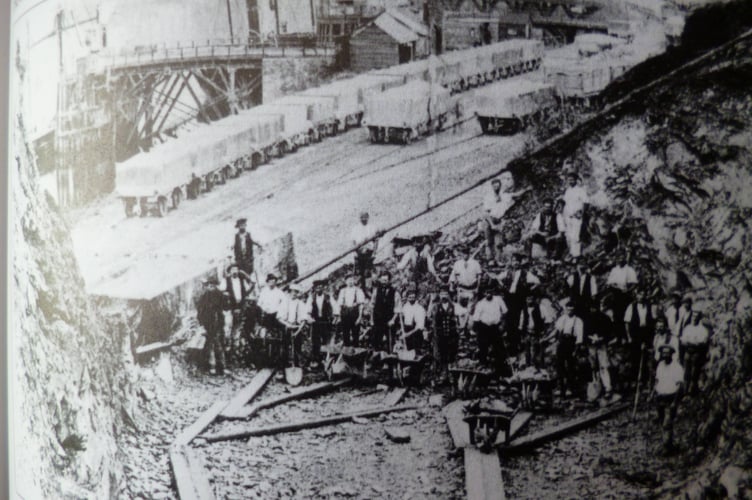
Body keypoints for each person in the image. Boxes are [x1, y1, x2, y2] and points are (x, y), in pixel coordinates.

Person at [492, 252, 540, 352]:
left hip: (519, 299)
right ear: (512, 262)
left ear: (520, 263)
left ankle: (518, 343)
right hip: (509, 299)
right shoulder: (508, 272)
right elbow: (497, 278)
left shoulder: (525, 273)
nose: (515, 263)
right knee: (509, 320)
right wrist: (503, 286)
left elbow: (537, 282)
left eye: (517, 262)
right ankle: (510, 343)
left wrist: (529, 289)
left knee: (519, 320)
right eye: (514, 261)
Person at [482, 174, 531, 263]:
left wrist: (526, 189)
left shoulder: (505, 196)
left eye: (498, 185)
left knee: (499, 242)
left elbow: (516, 195)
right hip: (488, 221)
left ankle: (498, 260)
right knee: (489, 242)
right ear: (492, 186)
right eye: (494, 185)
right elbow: (486, 213)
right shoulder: (488, 197)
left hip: (498, 221)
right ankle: (490, 260)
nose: (496, 187)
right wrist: (492, 225)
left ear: (500, 186)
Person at [549, 300, 584, 398]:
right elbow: (557, 331)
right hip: (562, 342)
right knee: (559, 365)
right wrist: (554, 341)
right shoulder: (562, 319)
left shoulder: (578, 321)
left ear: (574, 310)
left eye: (571, 310)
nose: (569, 312)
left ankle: (570, 388)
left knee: (570, 366)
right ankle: (560, 387)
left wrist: (576, 350)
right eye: (568, 310)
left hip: (571, 343)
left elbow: (579, 338)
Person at [471, 285, 508, 373]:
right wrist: (474, 330)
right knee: (483, 348)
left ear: (492, 292)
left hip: (495, 327)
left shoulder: (498, 300)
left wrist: (503, 324)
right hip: (484, 328)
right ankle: (484, 366)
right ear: (484, 293)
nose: (488, 294)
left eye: (490, 292)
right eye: (486, 292)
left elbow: (505, 312)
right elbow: (476, 319)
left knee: (499, 348)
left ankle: (500, 368)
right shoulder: (481, 303)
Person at [654, 344, 684, 453]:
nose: (665, 355)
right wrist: (653, 393)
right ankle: (668, 444)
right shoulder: (660, 365)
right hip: (660, 397)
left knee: (667, 422)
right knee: (662, 422)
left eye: (667, 353)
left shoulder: (677, 367)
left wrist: (675, 402)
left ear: (672, 354)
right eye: (663, 353)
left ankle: (666, 447)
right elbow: (657, 380)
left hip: (671, 398)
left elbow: (680, 386)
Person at [220, 264, 254, 360]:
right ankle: (227, 350)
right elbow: (219, 291)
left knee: (237, 329)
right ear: (229, 272)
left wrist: (246, 275)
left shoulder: (242, 281)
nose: (235, 271)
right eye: (233, 270)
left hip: (240, 307)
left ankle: (235, 352)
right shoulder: (225, 281)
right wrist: (225, 294)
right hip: (229, 309)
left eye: (236, 269)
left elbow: (250, 288)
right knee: (228, 328)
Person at [583, 300, 616, 400]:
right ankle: (596, 388)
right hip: (591, 345)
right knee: (593, 367)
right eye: (592, 308)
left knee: (604, 366)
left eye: (595, 308)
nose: (593, 310)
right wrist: (591, 338)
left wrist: (601, 338)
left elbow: (610, 332)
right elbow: (584, 333)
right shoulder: (587, 319)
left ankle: (607, 388)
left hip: (602, 345)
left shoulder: (605, 318)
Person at [624, 287, 657, 384]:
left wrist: (653, 335)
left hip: (646, 333)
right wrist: (629, 336)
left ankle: (645, 379)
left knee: (647, 357)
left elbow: (654, 320)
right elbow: (627, 323)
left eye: (643, 294)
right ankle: (635, 379)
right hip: (636, 334)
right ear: (636, 295)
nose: (641, 296)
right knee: (635, 357)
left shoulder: (649, 306)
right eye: (639, 294)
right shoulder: (631, 306)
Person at [196, 276, 226, 375]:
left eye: (213, 285)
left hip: (218, 323)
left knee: (219, 344)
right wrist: (202, 325)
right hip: (208, 324)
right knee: (210, 345)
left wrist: (222, 323)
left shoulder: (220, 295)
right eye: (209, 285)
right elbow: (199, 312)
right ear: (207, 286)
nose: (211, 286)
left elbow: (224, 308)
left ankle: (222, 366)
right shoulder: (203, 297)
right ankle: (212, 366)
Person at [256, 273, 288, 365]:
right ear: (267, 282)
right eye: (270, 281)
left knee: (277, 337)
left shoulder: (279, 293)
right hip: (266, 316)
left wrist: (279, 312)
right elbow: (259, 304)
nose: (272, 283)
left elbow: (284, 304)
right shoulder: (264, 292)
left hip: (276, 316)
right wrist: (263, 310)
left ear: (276, 282)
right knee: (264, 335)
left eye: (274, 281)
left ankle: (277, 356)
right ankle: (265, 357)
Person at [307, 280, 339, 367]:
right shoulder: (311, 298)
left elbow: (335, 307)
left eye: (320, 287)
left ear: (323, 288)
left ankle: (326, 360)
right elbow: (308, 309)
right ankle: (316, 360)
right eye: (317, 287)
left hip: (326, 321)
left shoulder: (328, 297)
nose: (319, 289)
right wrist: (309, 318)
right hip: (316, 321)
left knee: (326, 340)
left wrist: (335, 317)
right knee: (315, 341)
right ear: (315, 289)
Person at [606, 253, 639, 339]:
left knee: (626, 316)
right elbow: (610, 283)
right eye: (618, 258)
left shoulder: (629, 270)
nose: (620, 260)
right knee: (616, 316)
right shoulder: (614, 270)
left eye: (622, 258)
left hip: (626, 295)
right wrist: (615, 286)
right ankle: (618, 336)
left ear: (624, 259)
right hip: (616, 295)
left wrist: (627, 290)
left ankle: (627, 336)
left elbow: (634, 283)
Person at [431, 286, 459, 382]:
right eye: (442, 294)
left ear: (448, 295)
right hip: (440, 335)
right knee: (442, 354)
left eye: (446, 294)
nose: (444, 296)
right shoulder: (436, 307)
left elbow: (458, 320)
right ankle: (443, 373)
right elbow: (434, 322)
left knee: (451, 354)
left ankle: (451, 373)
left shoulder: (453, 306)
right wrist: (435, 335)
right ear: (439, 295)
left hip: (451, 335)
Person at [280, 285, 311, 368]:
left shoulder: (300, 304)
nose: (294, 294)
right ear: (289, 292)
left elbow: (304, 320)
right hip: (287, 327)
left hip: (297, 328)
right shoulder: (285, 302)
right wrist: (287, 324)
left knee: (297, 348)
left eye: (296, 292)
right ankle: (284, 367)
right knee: (285, 348)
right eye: (292, 292)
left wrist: (297, 332)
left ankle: (297, 366)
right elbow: (279, 318)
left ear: (298, 293)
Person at [680, 312, 709, 395]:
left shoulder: (702, 329)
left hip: (696, 353)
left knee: (694, 373)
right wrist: (691, 342)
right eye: (693, 316)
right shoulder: (687, 328)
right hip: (687, 352)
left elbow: (703, 341)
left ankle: (691, 392)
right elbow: (683, 340)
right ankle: (685, 391)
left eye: (696, 316)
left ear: (699, 318)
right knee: (686, 372)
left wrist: (693, 342)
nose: (694, 318)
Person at [371, 271, 401, 352]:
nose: (384, 282)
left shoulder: (395, 293)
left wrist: (393, 320)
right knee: (376, 341)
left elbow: (397, 309)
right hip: (378, 320)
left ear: (389, 281)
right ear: (380, 280)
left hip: (389, 321)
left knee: (390, 342)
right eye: (382, 280)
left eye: (386, 280)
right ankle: (376, 360)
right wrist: (371, 319)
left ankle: (389, 360)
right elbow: (372, 306)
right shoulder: (376, 291)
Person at [351, 212, 381, 290]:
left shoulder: (372, 227)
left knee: (368, 272)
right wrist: (354, 252)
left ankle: (368, 290)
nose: (363, 219)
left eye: (365, 217)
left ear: (368, 218)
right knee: (359, 273)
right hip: (359, 253)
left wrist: (374, 252)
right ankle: (360, 290)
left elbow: (376, 241)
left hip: (369, 253)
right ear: (359, 218)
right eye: (362, 217)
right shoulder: (355, 228)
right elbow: (353, 241)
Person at [561, 172, 589, 257]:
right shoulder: (568, 191)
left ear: (576, 180)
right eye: (569, 180)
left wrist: (582, 214)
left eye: (572, 180)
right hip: (568, 217)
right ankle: (571, 254)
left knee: (576, 236)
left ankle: (577, 255)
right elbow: (565, 203)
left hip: (576, 217)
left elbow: (586, 202)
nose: (570, 181)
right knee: (569, 235)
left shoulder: (581, 190)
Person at [337, 273, 366, 347]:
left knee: (355, 334)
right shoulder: (342, 291)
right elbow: (339, 305)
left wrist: (359, 317)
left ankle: (355, 352)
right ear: (345, 281)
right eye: (348, 280)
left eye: (352, 280)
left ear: (354, 281)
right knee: (345, 334)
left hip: (354, 314)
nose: (350, 282)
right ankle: (346, 352)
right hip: (345, 314)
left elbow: (361, 305)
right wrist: (340, 317)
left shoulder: (358, 290)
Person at [517, 294, 545, 368]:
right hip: (527, 332)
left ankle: (537, 366)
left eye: (531, 299)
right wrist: (521, 332)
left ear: (534, 300)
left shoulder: (540, 308)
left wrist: (542, 330)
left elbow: (546, 319)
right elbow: (521, 321)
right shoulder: (524, 309)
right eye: (528, 299)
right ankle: (528, 365)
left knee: (536, 350)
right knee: (527, 350)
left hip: (536, 333)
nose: (529, 301)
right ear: (526, 300)